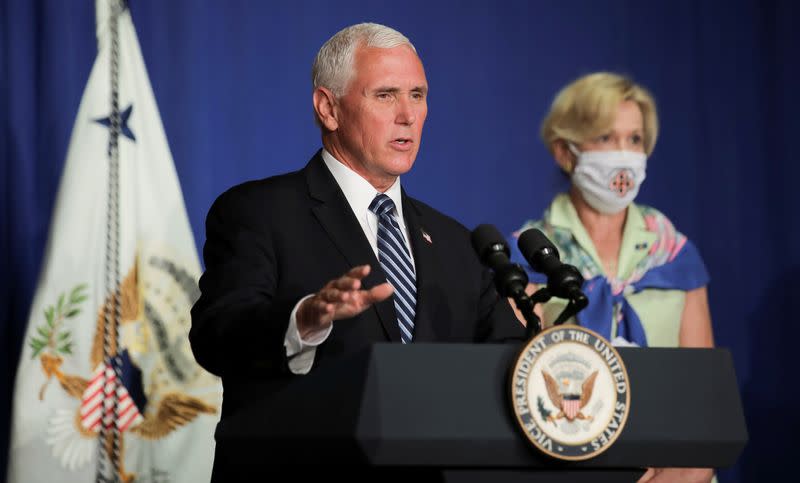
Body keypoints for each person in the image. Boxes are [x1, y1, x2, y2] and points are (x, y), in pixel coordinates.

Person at [189, 21, 524, 426]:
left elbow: (508, 361)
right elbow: (216, 337)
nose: (407, 116)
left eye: (417, 96)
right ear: (328, 108)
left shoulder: (458, 243)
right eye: (385, 95)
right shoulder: (258, 212)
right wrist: (304, 319)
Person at [510, 72, 715, 482]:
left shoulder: (673, 253)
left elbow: (706, 403)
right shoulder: (528, 259)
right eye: (605, 138)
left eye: (634, 140)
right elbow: (523, 404)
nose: (624, 154)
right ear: (564, 151)